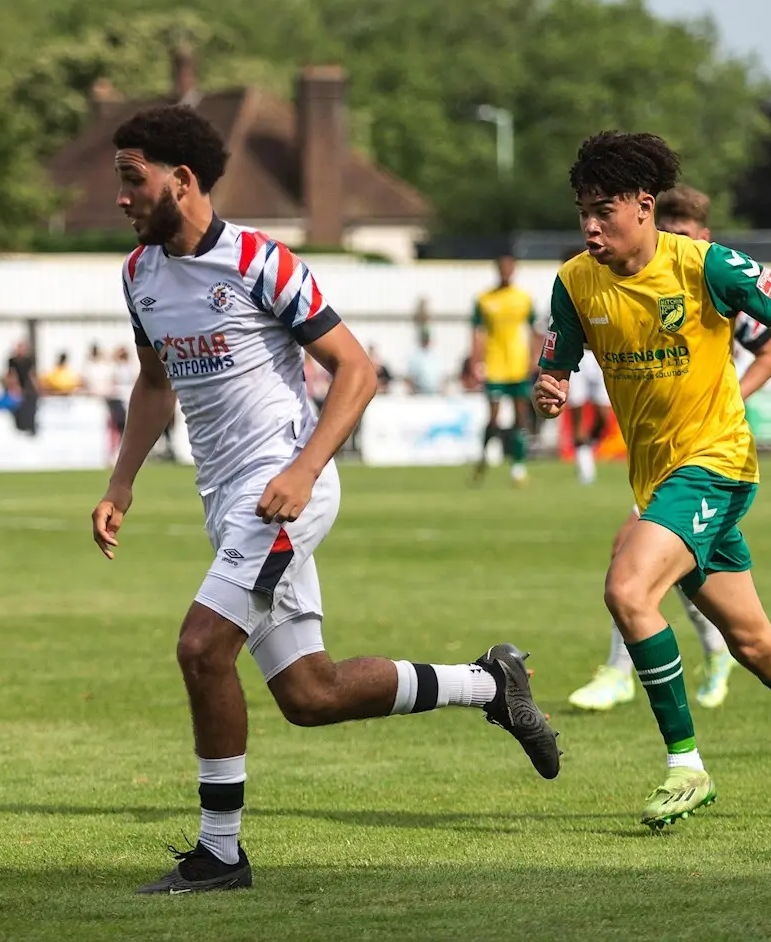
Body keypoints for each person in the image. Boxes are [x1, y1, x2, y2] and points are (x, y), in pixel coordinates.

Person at [89, 104, 561, 894]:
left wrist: (305, 469)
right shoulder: (138, 276)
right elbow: (153, 381)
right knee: (310, 694)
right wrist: (121, 481)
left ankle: (219, 854)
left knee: (202, 649)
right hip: (230, 502)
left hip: (281, 492)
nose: (121, 198)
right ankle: (491, 682)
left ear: (181, 180)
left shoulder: (259, 262)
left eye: (131, 180)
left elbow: (357, 370)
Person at [533, 132, 771, 829]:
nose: (589, 226)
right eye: (581, 210)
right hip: (658, 478)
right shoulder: (574, 281)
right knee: (754, 644)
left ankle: (684, 767)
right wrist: (546, 388)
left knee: (626, 587)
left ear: (644, 207)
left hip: (716, 463)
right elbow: (554, 366)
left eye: (602, 210)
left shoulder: (708, 266)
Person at [567, 184, 771, 713]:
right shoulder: (637, 277)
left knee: (632, 561)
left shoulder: (716, 279)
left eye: (684, 234)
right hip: (659, 454)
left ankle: (624, 675)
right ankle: (719, 652)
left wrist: (731, 389)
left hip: (708, 449)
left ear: (703, 237)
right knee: (681, 572)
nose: (673, 242)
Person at [470, 254, 540, 485]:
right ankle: (484, 457)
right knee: (493, 417)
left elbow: (534, 331)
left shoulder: (524, 298)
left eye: (510, 268)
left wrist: (535, 358)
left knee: (521, 417)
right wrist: (475, 362)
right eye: (503, 268)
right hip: (494, 366)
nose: (506, 272)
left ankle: (518, 467)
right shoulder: (484, 299)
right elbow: (477, 333)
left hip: (518, 365)